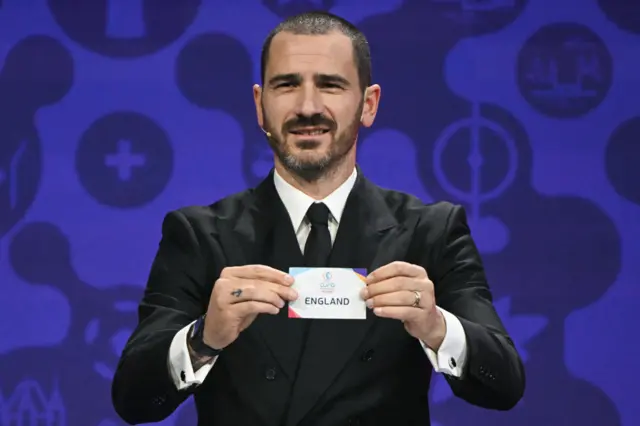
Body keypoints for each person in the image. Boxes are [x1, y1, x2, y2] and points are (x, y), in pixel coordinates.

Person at [111, 11, 525, 426]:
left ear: (368, 104)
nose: (308, 107)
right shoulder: (200, 234)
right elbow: (134, 398)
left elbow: (504, 384)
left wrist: (437, 328)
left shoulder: (431, 231)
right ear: (260, 105)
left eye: (330, 85)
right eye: (286, 85)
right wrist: (204, 339)